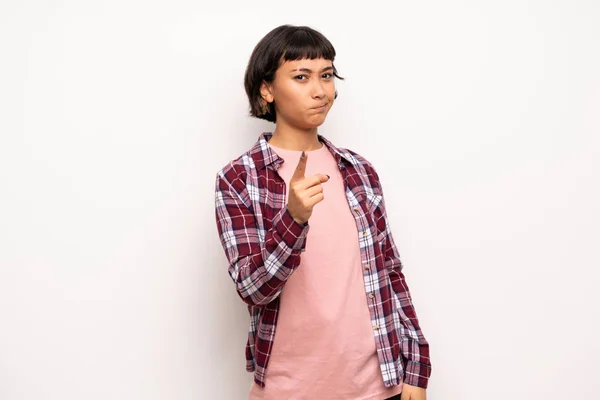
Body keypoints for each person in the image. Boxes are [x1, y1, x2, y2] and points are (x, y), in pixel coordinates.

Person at [214, 24, 431, 400]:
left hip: (380, 387)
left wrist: (416, 365)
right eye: (301, 77)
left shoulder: (357, 170)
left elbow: (390, 272)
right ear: (267, 90)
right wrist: (293, 220)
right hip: (290, 390)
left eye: (327, 75)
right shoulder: (239, 178)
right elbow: (252, 289)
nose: (320, 91)